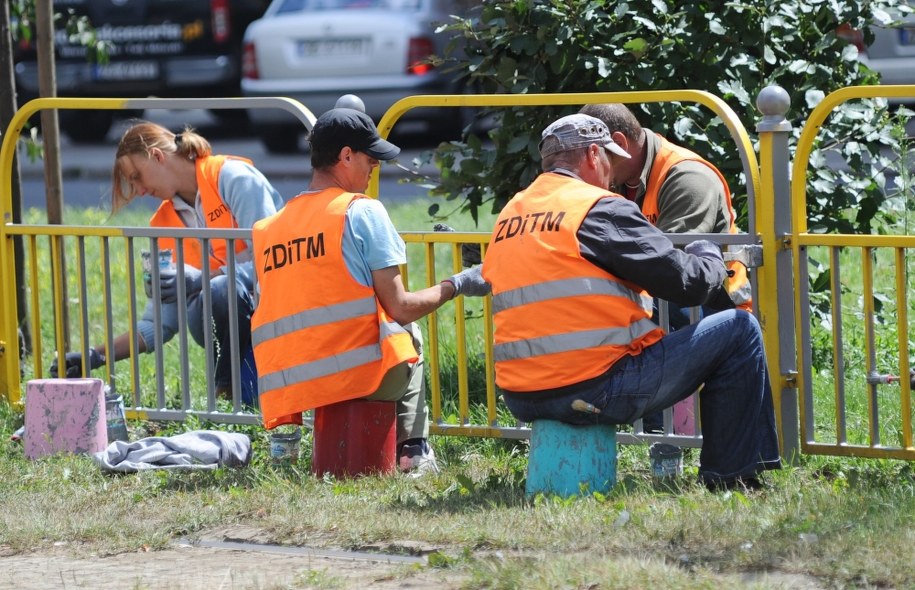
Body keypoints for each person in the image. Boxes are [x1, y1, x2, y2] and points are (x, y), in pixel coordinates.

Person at [481, 113, 781, 490]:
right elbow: (688, 284)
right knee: (739, 329)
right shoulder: (597, 208)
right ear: (594, 154)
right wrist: (708, 255)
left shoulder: (512, 213)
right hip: (593, 389)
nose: (612, 176)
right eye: (608, 158)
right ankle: (732, 477)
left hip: (521, 395)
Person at [250, 108, 489, 473]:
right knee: (406, 332)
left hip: (295, 388)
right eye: (370, 157)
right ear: (346, 156)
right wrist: (457, 283)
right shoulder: (361, 212)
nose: (376, 165)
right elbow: (401, 307)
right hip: (355, 376)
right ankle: (414, 452)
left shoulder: (269, 228)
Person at [51, 121, 284, 403]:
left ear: (157, 156)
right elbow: (159, 322)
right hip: (220, 315)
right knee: (219, 292)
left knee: (221, 289)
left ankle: (226, 394)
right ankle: (231, 398)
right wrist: (95, 356)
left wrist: (201, 279)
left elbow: (272, 258)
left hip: (275, 307)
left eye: (137, 177)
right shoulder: (162, 223)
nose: (138, 191)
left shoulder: (233, 178)